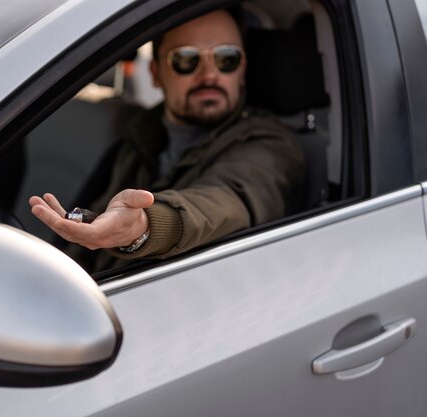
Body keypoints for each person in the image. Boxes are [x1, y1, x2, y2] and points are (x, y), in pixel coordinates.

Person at [29, 8, 304, 271]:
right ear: (156, 73)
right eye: (186, 59)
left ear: (242, 70)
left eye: (226, 58)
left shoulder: (271, 144)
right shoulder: (137, 134)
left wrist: (144, 226)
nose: (209, 75)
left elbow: (224, 201)